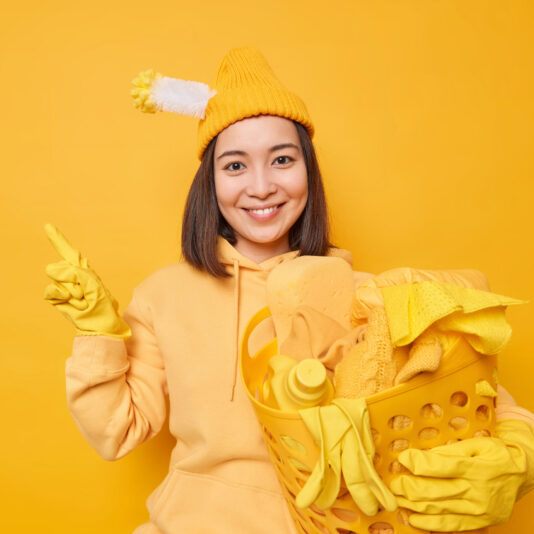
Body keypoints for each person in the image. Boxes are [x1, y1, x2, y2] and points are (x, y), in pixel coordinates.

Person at [43, 46, 533, 534]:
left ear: (308, 172)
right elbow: (116, 433)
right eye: (235, 166)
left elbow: (483, 401)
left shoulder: (369, 298)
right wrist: (100, 335)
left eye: (281, 159)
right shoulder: (163, 295)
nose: (261, 186)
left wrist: (519, 459)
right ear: (209, 182)